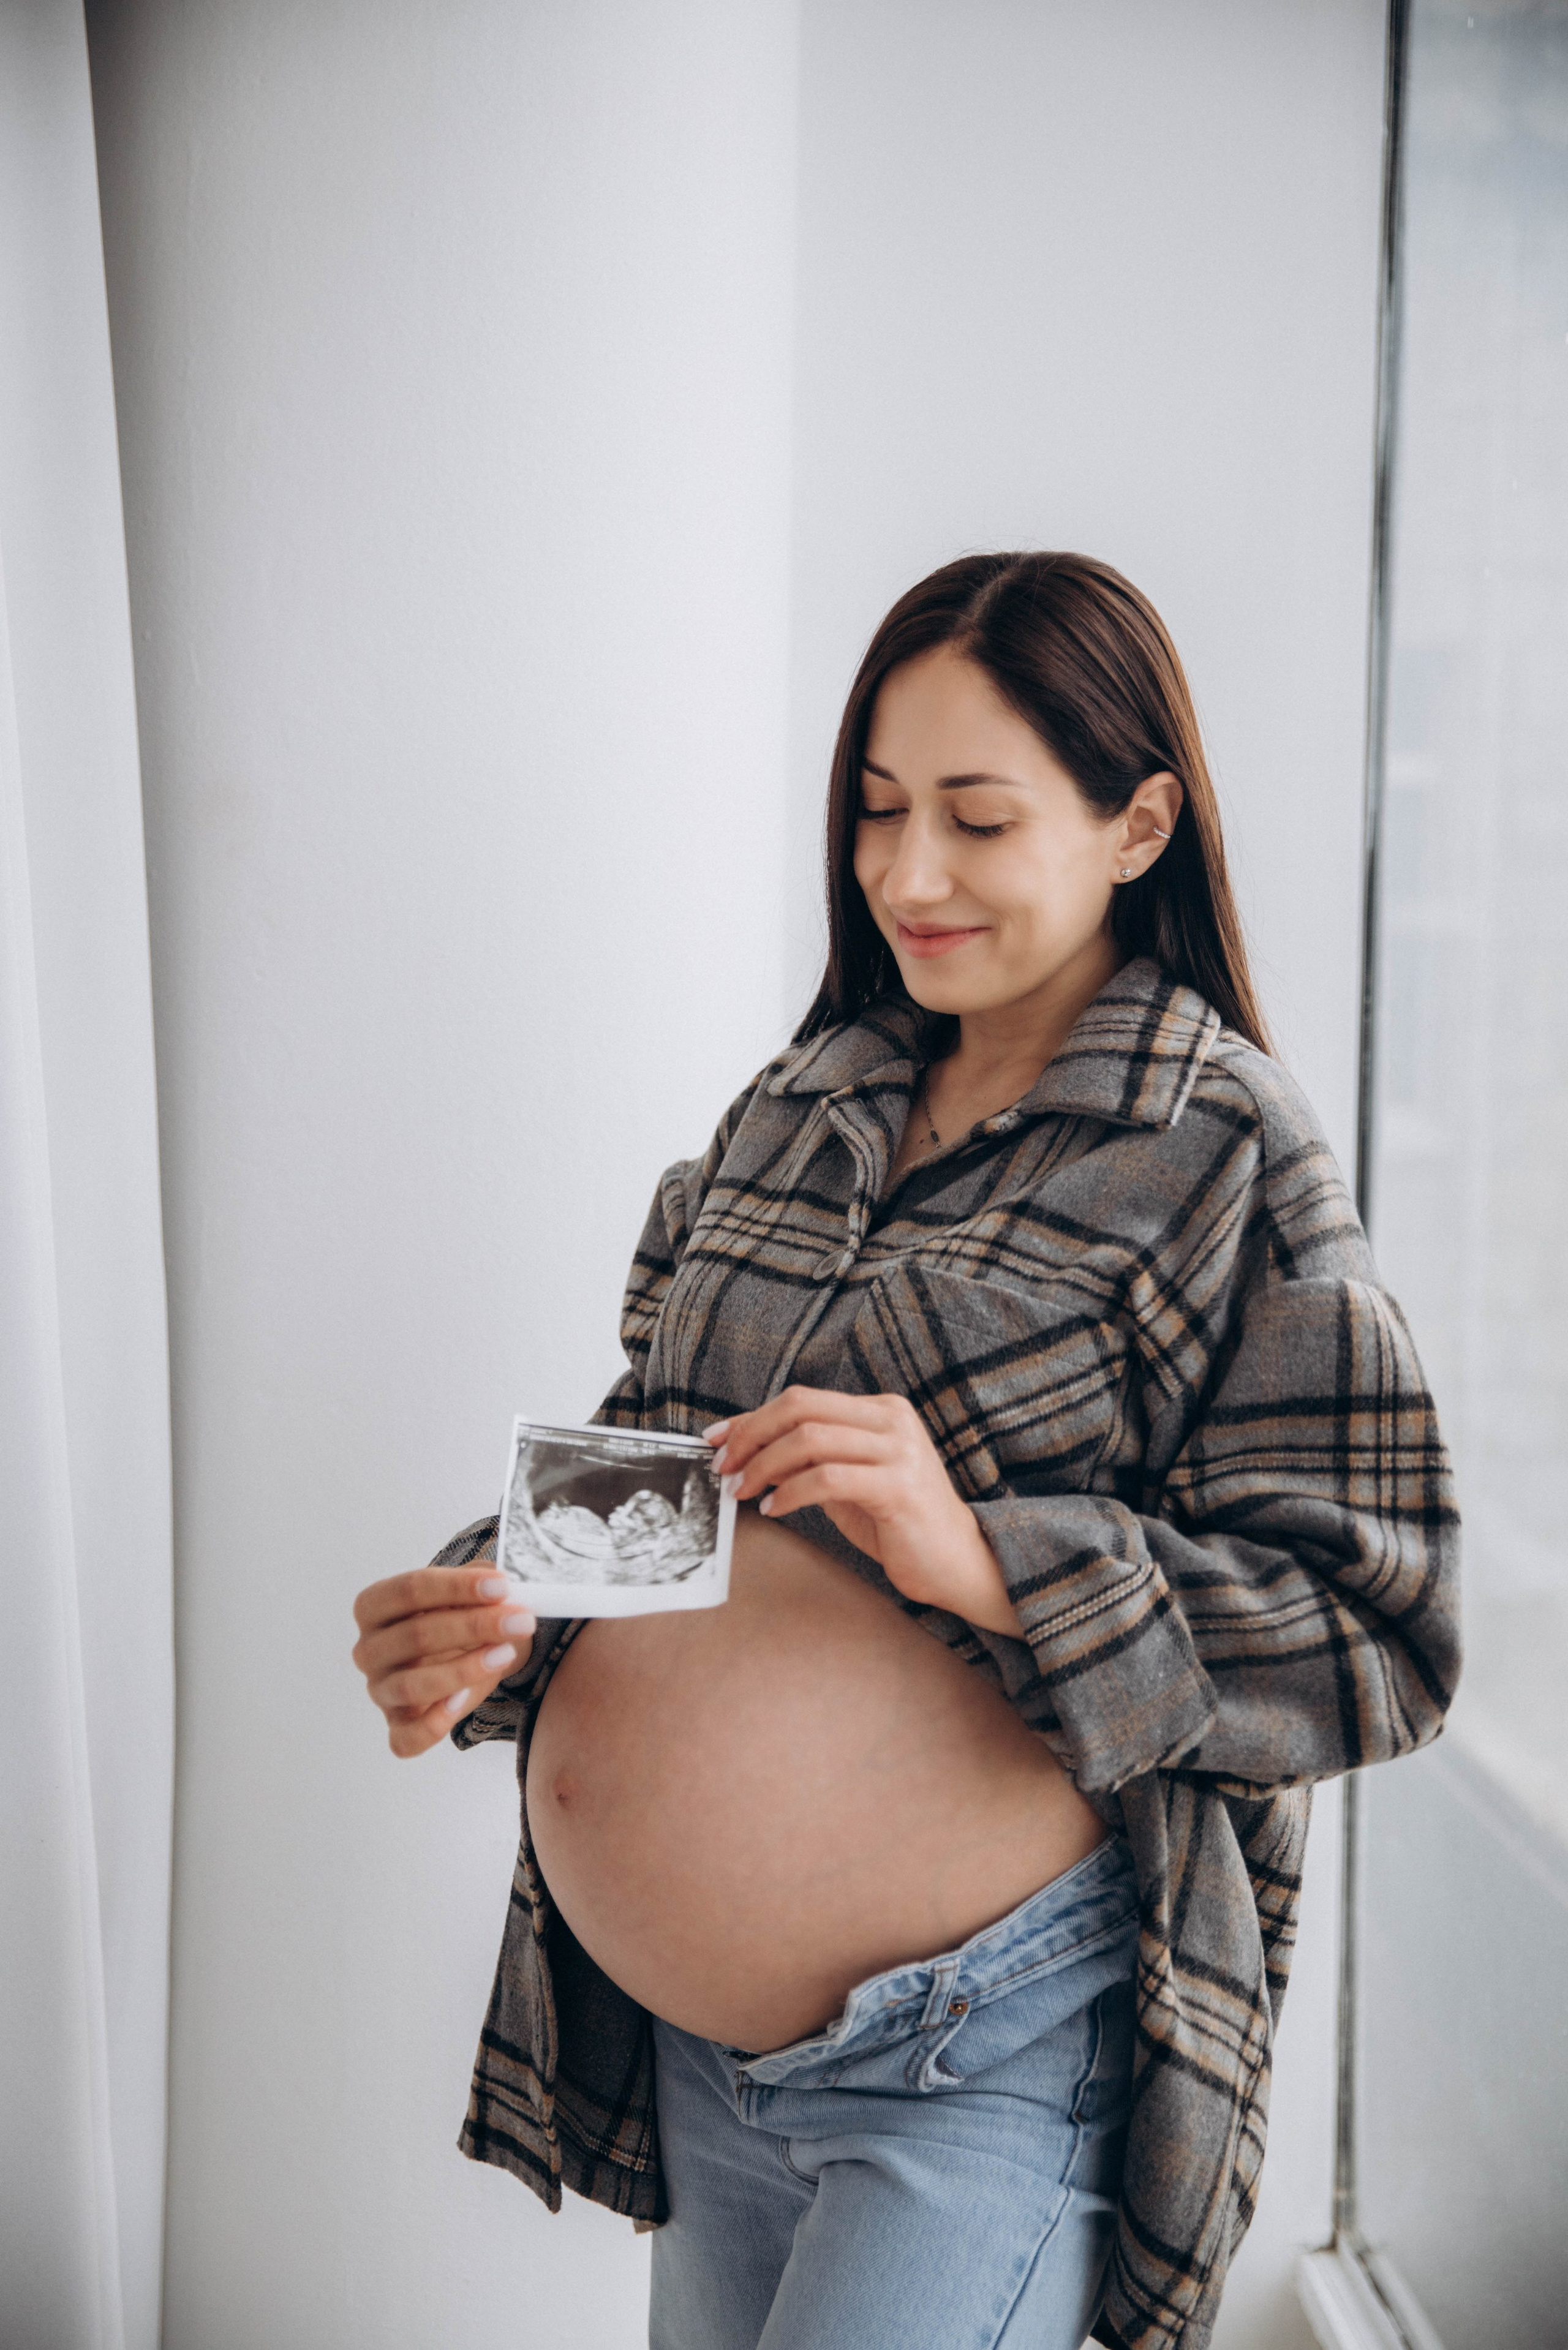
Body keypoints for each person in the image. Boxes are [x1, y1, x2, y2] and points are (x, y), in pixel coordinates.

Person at [350, 552, 1460, 2350]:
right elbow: (665, 1474)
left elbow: (1382, 1634)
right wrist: (491, 1619)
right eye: (875, 811)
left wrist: (991, 1560)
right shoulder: (801, 1111)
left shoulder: (1221, 1149)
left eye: (975, 817)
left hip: (983, 2064)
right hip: (711, 2068)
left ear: (1138, 823)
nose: (905, 875)